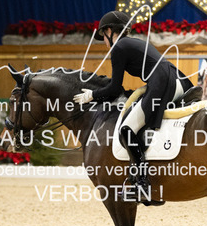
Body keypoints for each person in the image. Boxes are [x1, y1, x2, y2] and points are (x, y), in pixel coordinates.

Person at [73, 11, 193, 206]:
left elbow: (114, 88)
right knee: (140, 121)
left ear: (109, 30)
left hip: (162, 82)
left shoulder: (119, 47)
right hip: (178, 79)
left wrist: (92, 95)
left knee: (127, 129)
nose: (104, 41)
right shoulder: (133, 43)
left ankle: (142, 184)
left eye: (103, 35)